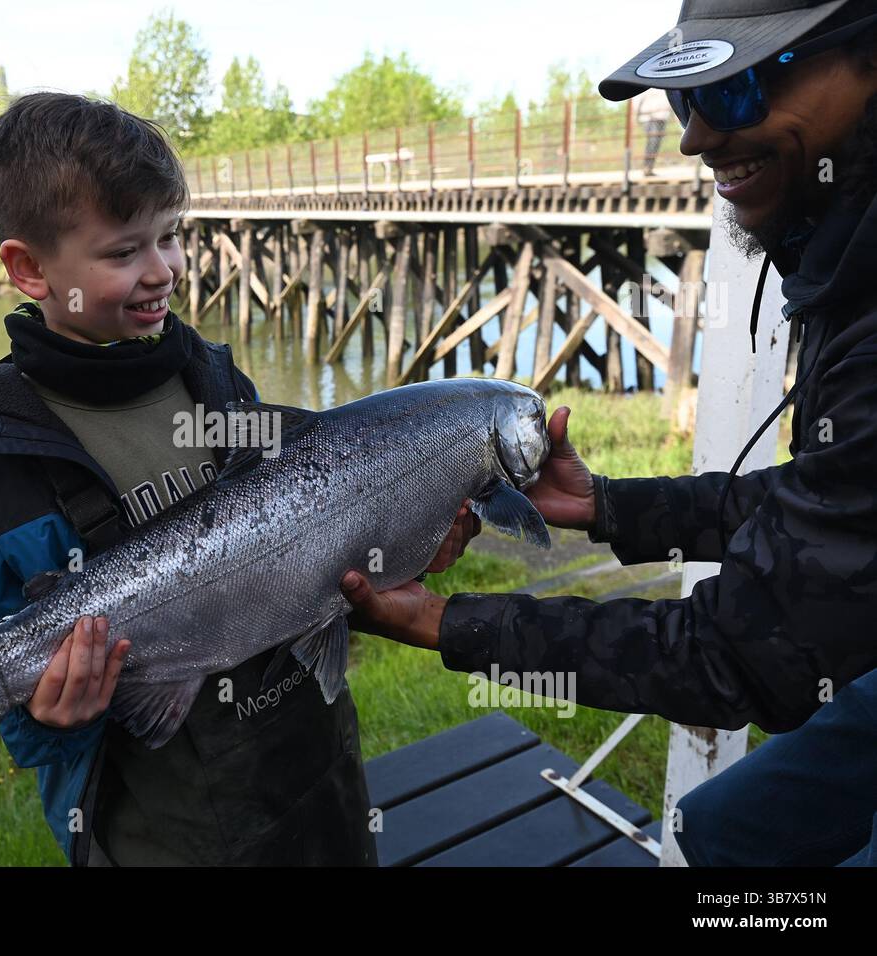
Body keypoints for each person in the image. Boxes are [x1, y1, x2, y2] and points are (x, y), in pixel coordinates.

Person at [341, 0, 877, 867]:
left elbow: (739, 654)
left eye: (734, 90)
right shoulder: (843, 248)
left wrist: (450, 624)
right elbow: (834, 514)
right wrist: (610, 506)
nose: (696, 140)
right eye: (683, 101)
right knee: (718, 831)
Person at [0, 92, 473, 866]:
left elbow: (313, 573)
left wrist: (406, 544)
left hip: (318, 785)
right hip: (160, 832)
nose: (165, 271)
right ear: (28, 268)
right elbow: (12, 683)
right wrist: (54, 719)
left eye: (172, 237)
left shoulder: (218, 383)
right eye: (124, 253)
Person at [635, 86, 671, 175]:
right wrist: (635, 116)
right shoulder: (646, 83)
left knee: (656, 143)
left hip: (661, 117)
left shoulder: (665, 85)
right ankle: (647, 167)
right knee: (653, 141)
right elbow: (637, 101)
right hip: (649, 117)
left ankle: (649, 167)